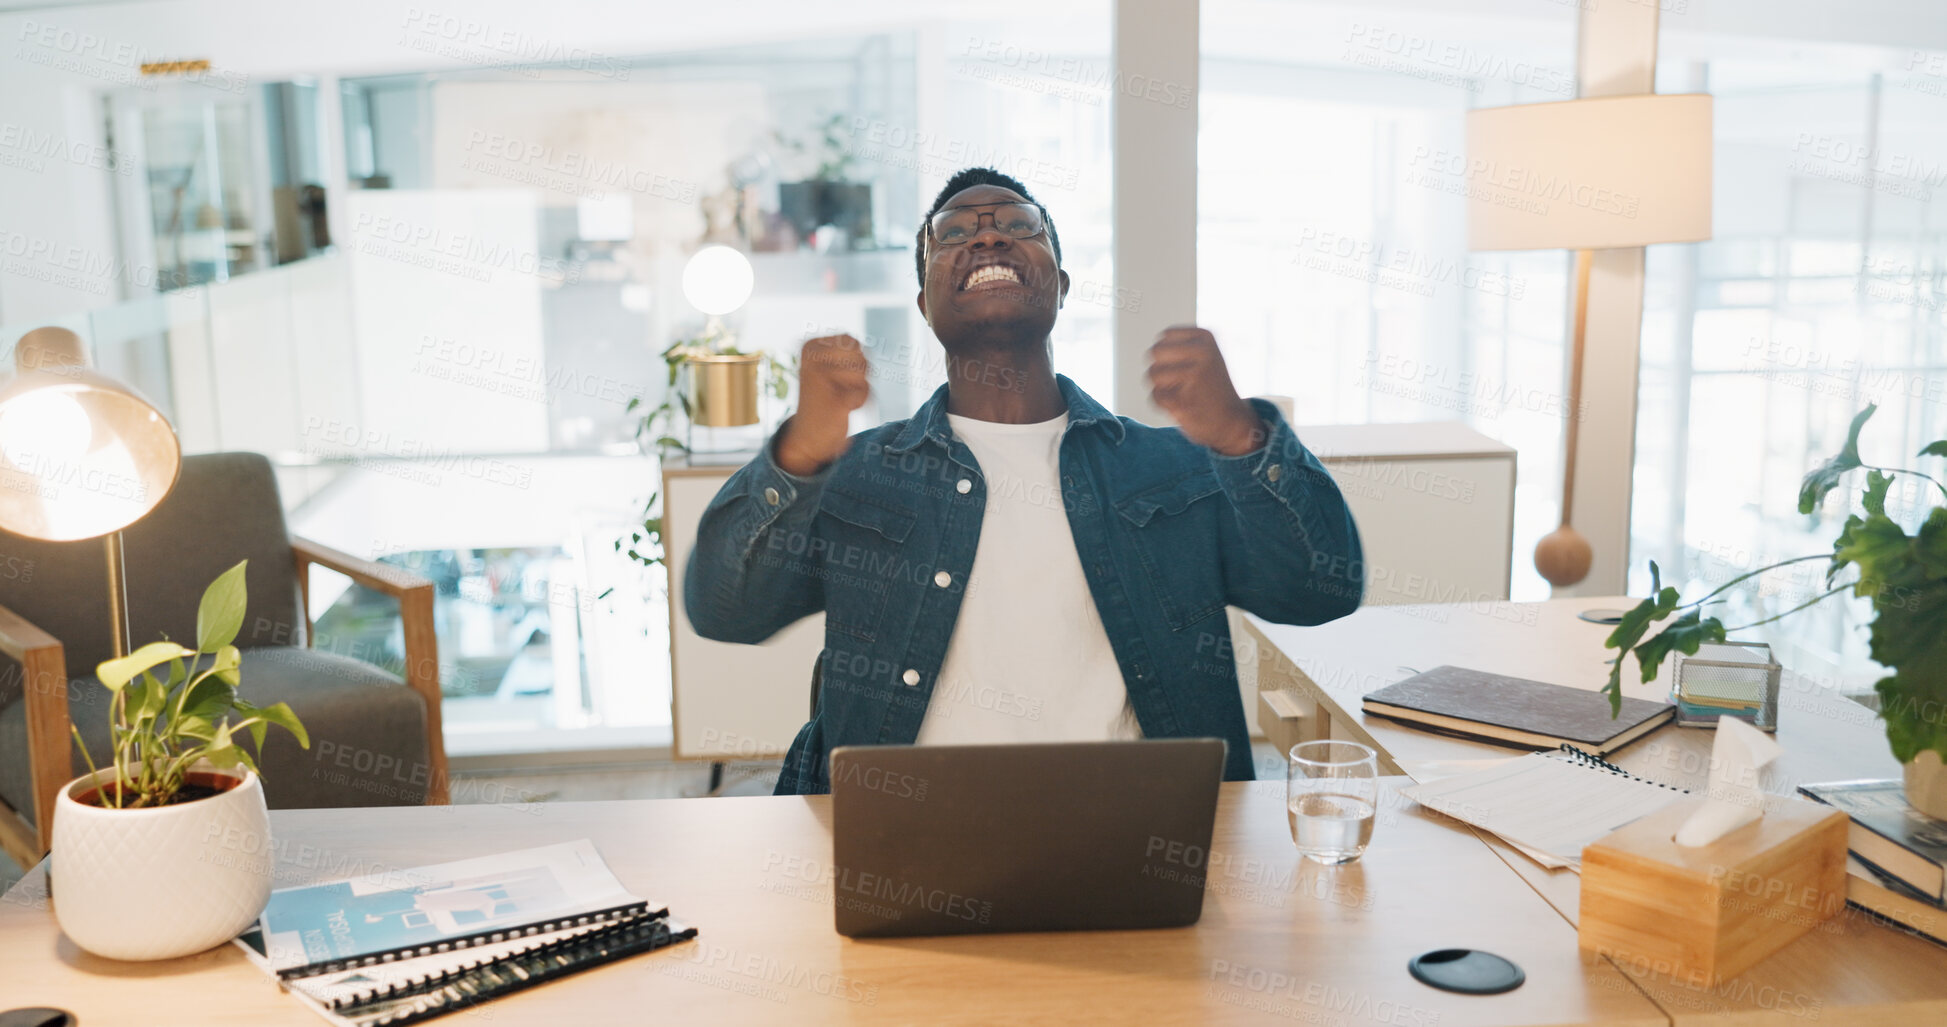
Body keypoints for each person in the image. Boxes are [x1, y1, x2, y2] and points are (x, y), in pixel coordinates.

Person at [685, 167, 1363, 794]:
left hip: (1145, 837)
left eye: (1018, 226)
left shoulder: (1175, 465)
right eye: (953, 233)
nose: (985, 234)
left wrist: (1242, 437)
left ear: (1061, 285)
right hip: (906, 837)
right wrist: (798, 456)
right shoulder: (858, 472)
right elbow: (725, 610)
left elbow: (1320, 589)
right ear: (924, 303)